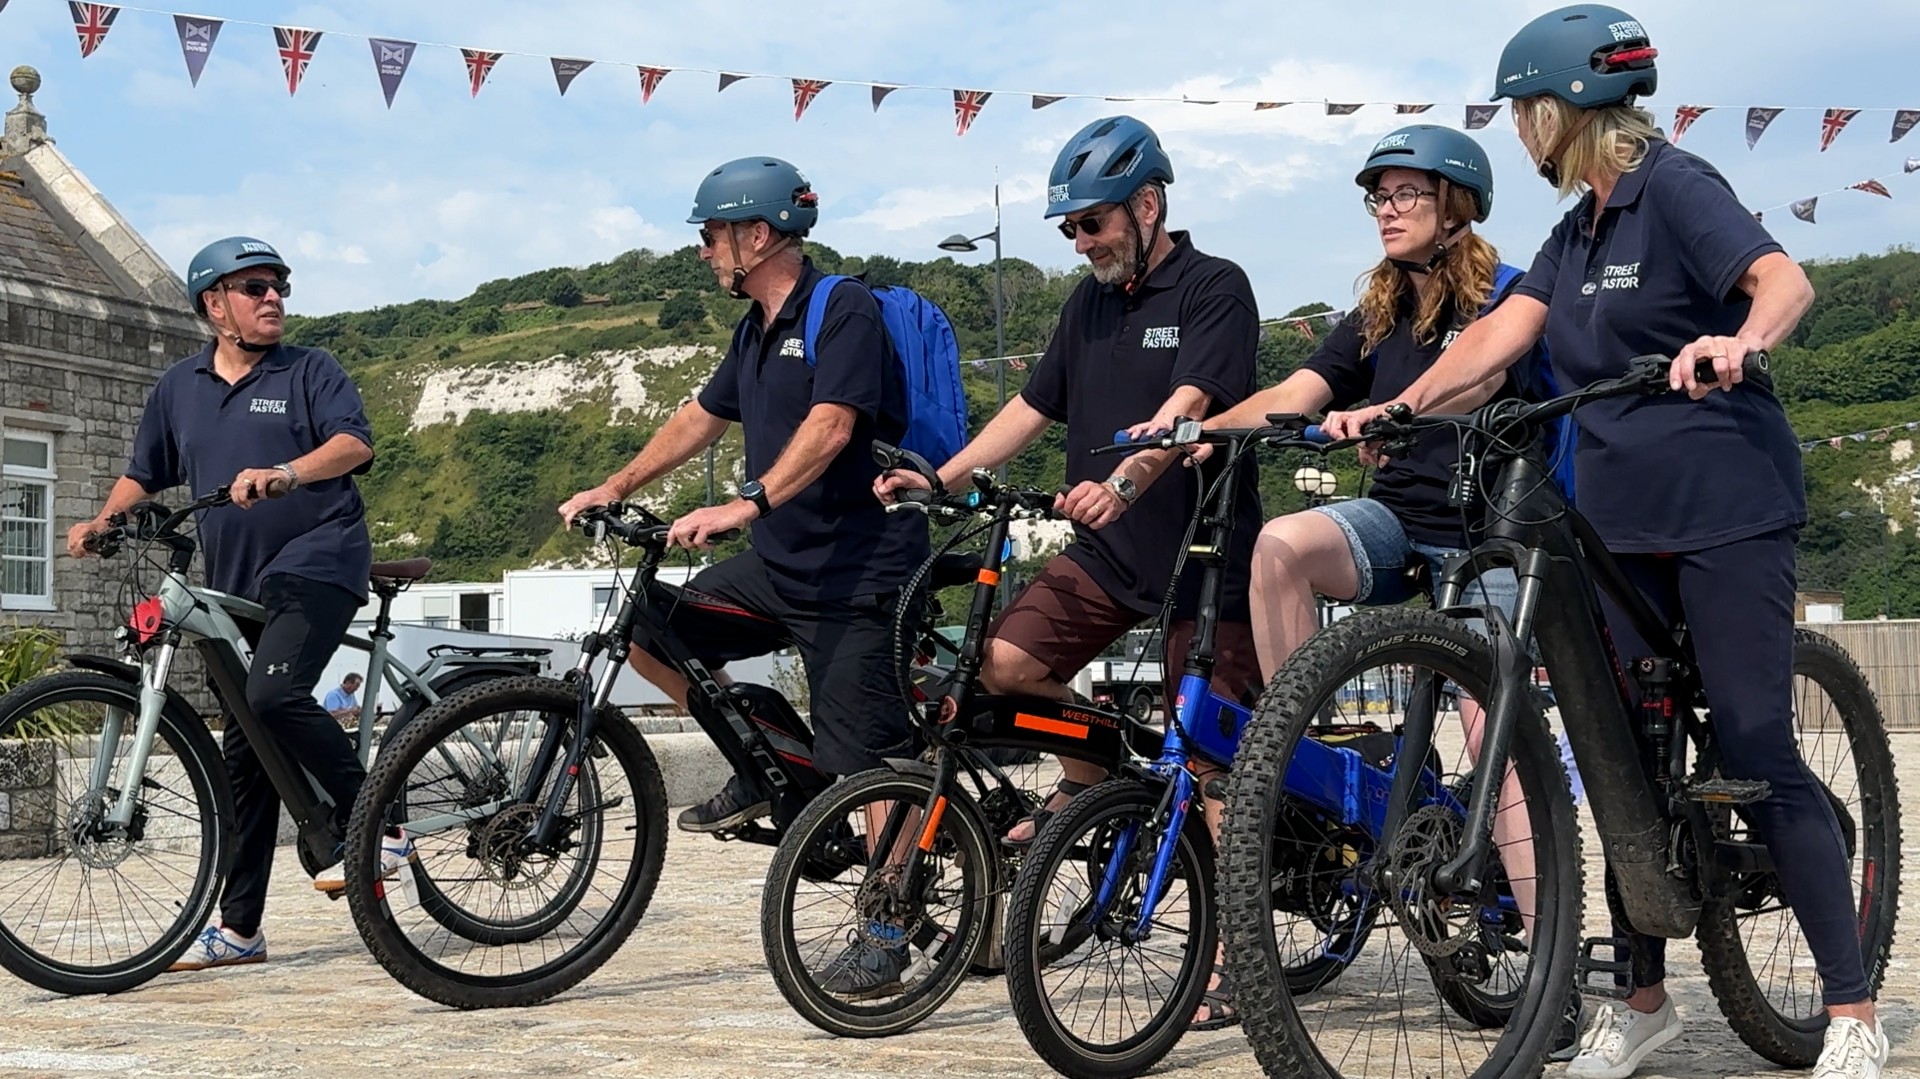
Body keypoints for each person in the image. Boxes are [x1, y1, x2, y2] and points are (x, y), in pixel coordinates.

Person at [1323, 8, 1881, 1078]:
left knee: (1759, 745)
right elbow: (1500, 337)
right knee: (1620, 757)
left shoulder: (1676, 186)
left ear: (1560, 109)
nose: (1520, 136)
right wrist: (1405, 405)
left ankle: (1850, 1006)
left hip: (1724, 507)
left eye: (1523, 113)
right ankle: (1643, 997)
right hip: (1617, 526)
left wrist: (1739, 339)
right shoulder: (1574, 230)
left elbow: (1783, 281)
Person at [1149, 124, 1579, 1036]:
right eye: (1377, 197)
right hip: (1400, 520)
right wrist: (1203, 431)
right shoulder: (1378, 312)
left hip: (1489, 531)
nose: (1385, 210)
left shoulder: (1506, 295)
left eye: (1404, 195)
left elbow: (1480, 378)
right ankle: (1301, 735)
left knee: (1487, 720)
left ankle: (1557, 972)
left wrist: (1391, 408)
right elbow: (1298, 389)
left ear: (1456, 205)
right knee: (1280, 547)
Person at [875, 115, 1263, 874]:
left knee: (1212, 762)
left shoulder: (1216, 286)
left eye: (1093, 223)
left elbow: (1190, 402)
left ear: (1147, 206)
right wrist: (941, 478)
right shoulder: (1085, 305)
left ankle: (1233, 961)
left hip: (1206, 563)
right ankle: (1096, 780)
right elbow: (1029, 408)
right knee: (1005, 662)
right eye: (1071, 230)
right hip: (1110, 553)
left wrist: (1123, 481)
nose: (1081, 242)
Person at [67, 237, 411, 971]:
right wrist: (103, 520)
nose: (274, 298)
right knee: (244, 755)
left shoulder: (309, 370)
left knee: (274, 691)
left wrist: (287, 472)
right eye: (255, 287)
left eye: (280, 285)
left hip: (317, 561)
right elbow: (144, 473)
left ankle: (378, 819)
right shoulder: (178, 387)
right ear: (213, 305)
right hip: (233, 584)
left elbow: (353, 444)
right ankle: (240, 929)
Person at [558, 158, 926, 839]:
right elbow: (701, 415)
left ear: (757, 235)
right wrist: (616, 485)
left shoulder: (841, 308)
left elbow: (833, 424)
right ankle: (767, 757)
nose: (703, 251)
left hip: (856, 572)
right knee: (651, 631)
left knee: (870, 765)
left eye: (711, 235)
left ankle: (887, 922)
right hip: (779, 567)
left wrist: (746, 503)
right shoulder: (754, 327)